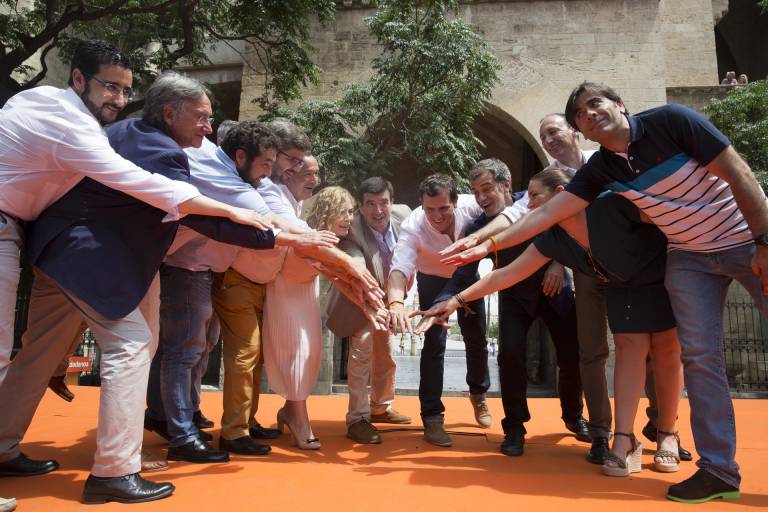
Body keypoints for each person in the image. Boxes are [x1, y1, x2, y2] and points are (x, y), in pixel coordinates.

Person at [442, 81, 768, 504]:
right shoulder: (601, 173)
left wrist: (762, 240)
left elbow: (740, 172)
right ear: (582, 129)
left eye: (595, 103)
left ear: (619, 104)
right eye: (580, 112)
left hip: (744, 238)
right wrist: (487, 245)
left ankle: (664, 434)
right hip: (689, 257)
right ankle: (719, 469)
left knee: (670, 353)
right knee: (701, 357)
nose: (589, 113)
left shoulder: (672, 121)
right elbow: (539, 217)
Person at [0, 40, 271, 504]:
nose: (120, 99)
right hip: (74, 254)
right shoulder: (81, 127)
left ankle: (2, 446)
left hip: (40, 244)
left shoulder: (80, 116)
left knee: (37, 351)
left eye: (126, 90)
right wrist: (249, 221)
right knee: (131, 344)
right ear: (79, 79)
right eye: (111, 87)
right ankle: (113, 471)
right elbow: (151, 189)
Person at [145, 122, 339, 462]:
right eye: (292, 161)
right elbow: (277, 224)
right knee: (204, 351)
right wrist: (318, 246)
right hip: (203, 271)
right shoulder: (257, 188)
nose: (298, 169)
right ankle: (215, 431)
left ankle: (225, 421)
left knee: (210, 350)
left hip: (226, 274)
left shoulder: (264, 184)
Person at [211, 122, 381, 456]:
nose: (309, 176)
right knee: (248, 353)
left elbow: (306, 244)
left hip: (264, 284)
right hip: (239, 279)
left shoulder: (290, 199)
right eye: (297, 163)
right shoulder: (270, 193)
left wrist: (356, 283)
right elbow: (296, 235)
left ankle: (248, 421)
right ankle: (233, 432)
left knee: (258, 357)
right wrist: (351, 272)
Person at [422, 159, 585, 457]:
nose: (481, 198)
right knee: (510, 356)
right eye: (475, 191)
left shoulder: (533, 199)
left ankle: (574, 415)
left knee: (572, 355)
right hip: (514, 296)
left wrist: (558, 263)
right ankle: (514, 428)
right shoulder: (478, 228)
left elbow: (567, 227)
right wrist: (438, 306)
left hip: (554, 289)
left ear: (506, 185)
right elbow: (461, 276)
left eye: (487, 189)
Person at [388, 174, 518, 447]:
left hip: (466, 277)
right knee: (433, 345)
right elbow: (400, 267)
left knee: (477, 338)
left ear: (456, 203)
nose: (437, 216)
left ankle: (478, 394)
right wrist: (397, 303)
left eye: (444, 208)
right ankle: (432, 417)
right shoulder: (413, 226)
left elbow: (511, 212)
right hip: (432, 279)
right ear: (422, 207)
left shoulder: (472, 206)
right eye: (429, 209)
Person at [263, 184, 359, 449]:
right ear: (327, 212)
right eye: (343, 212)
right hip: (284, 297)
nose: (349, 218)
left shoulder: (330, 238)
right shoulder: (309, 235)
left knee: (311, 355)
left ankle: (288, 411)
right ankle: (299, 421)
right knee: (299, 354)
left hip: (306, 299)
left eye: (351, 212)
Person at [325, 177, 413, 444]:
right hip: (360, 296)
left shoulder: (405, 216)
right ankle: (357, 419)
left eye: (383, 203)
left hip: (390, 297)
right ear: (360, 208)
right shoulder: (353, 232)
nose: (378, 211)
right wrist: (376, 301)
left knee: (385, 352)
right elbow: (357, 267)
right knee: (362, 353)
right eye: (370, 204)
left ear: (392, 202)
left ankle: (380, 407)